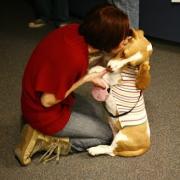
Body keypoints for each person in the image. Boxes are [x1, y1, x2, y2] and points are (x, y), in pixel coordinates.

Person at [15, 3, 131, 164]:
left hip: (33, 98)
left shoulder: (74, 30)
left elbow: (64, 69)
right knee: (106, 135)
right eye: (122, 37)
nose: (126, 40)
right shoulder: (74, 58)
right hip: (42, 111)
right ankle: (43, 140)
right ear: (107, 40)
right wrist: (85, 79)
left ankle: (34, 126)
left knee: (96, 112)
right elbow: (47, 101)